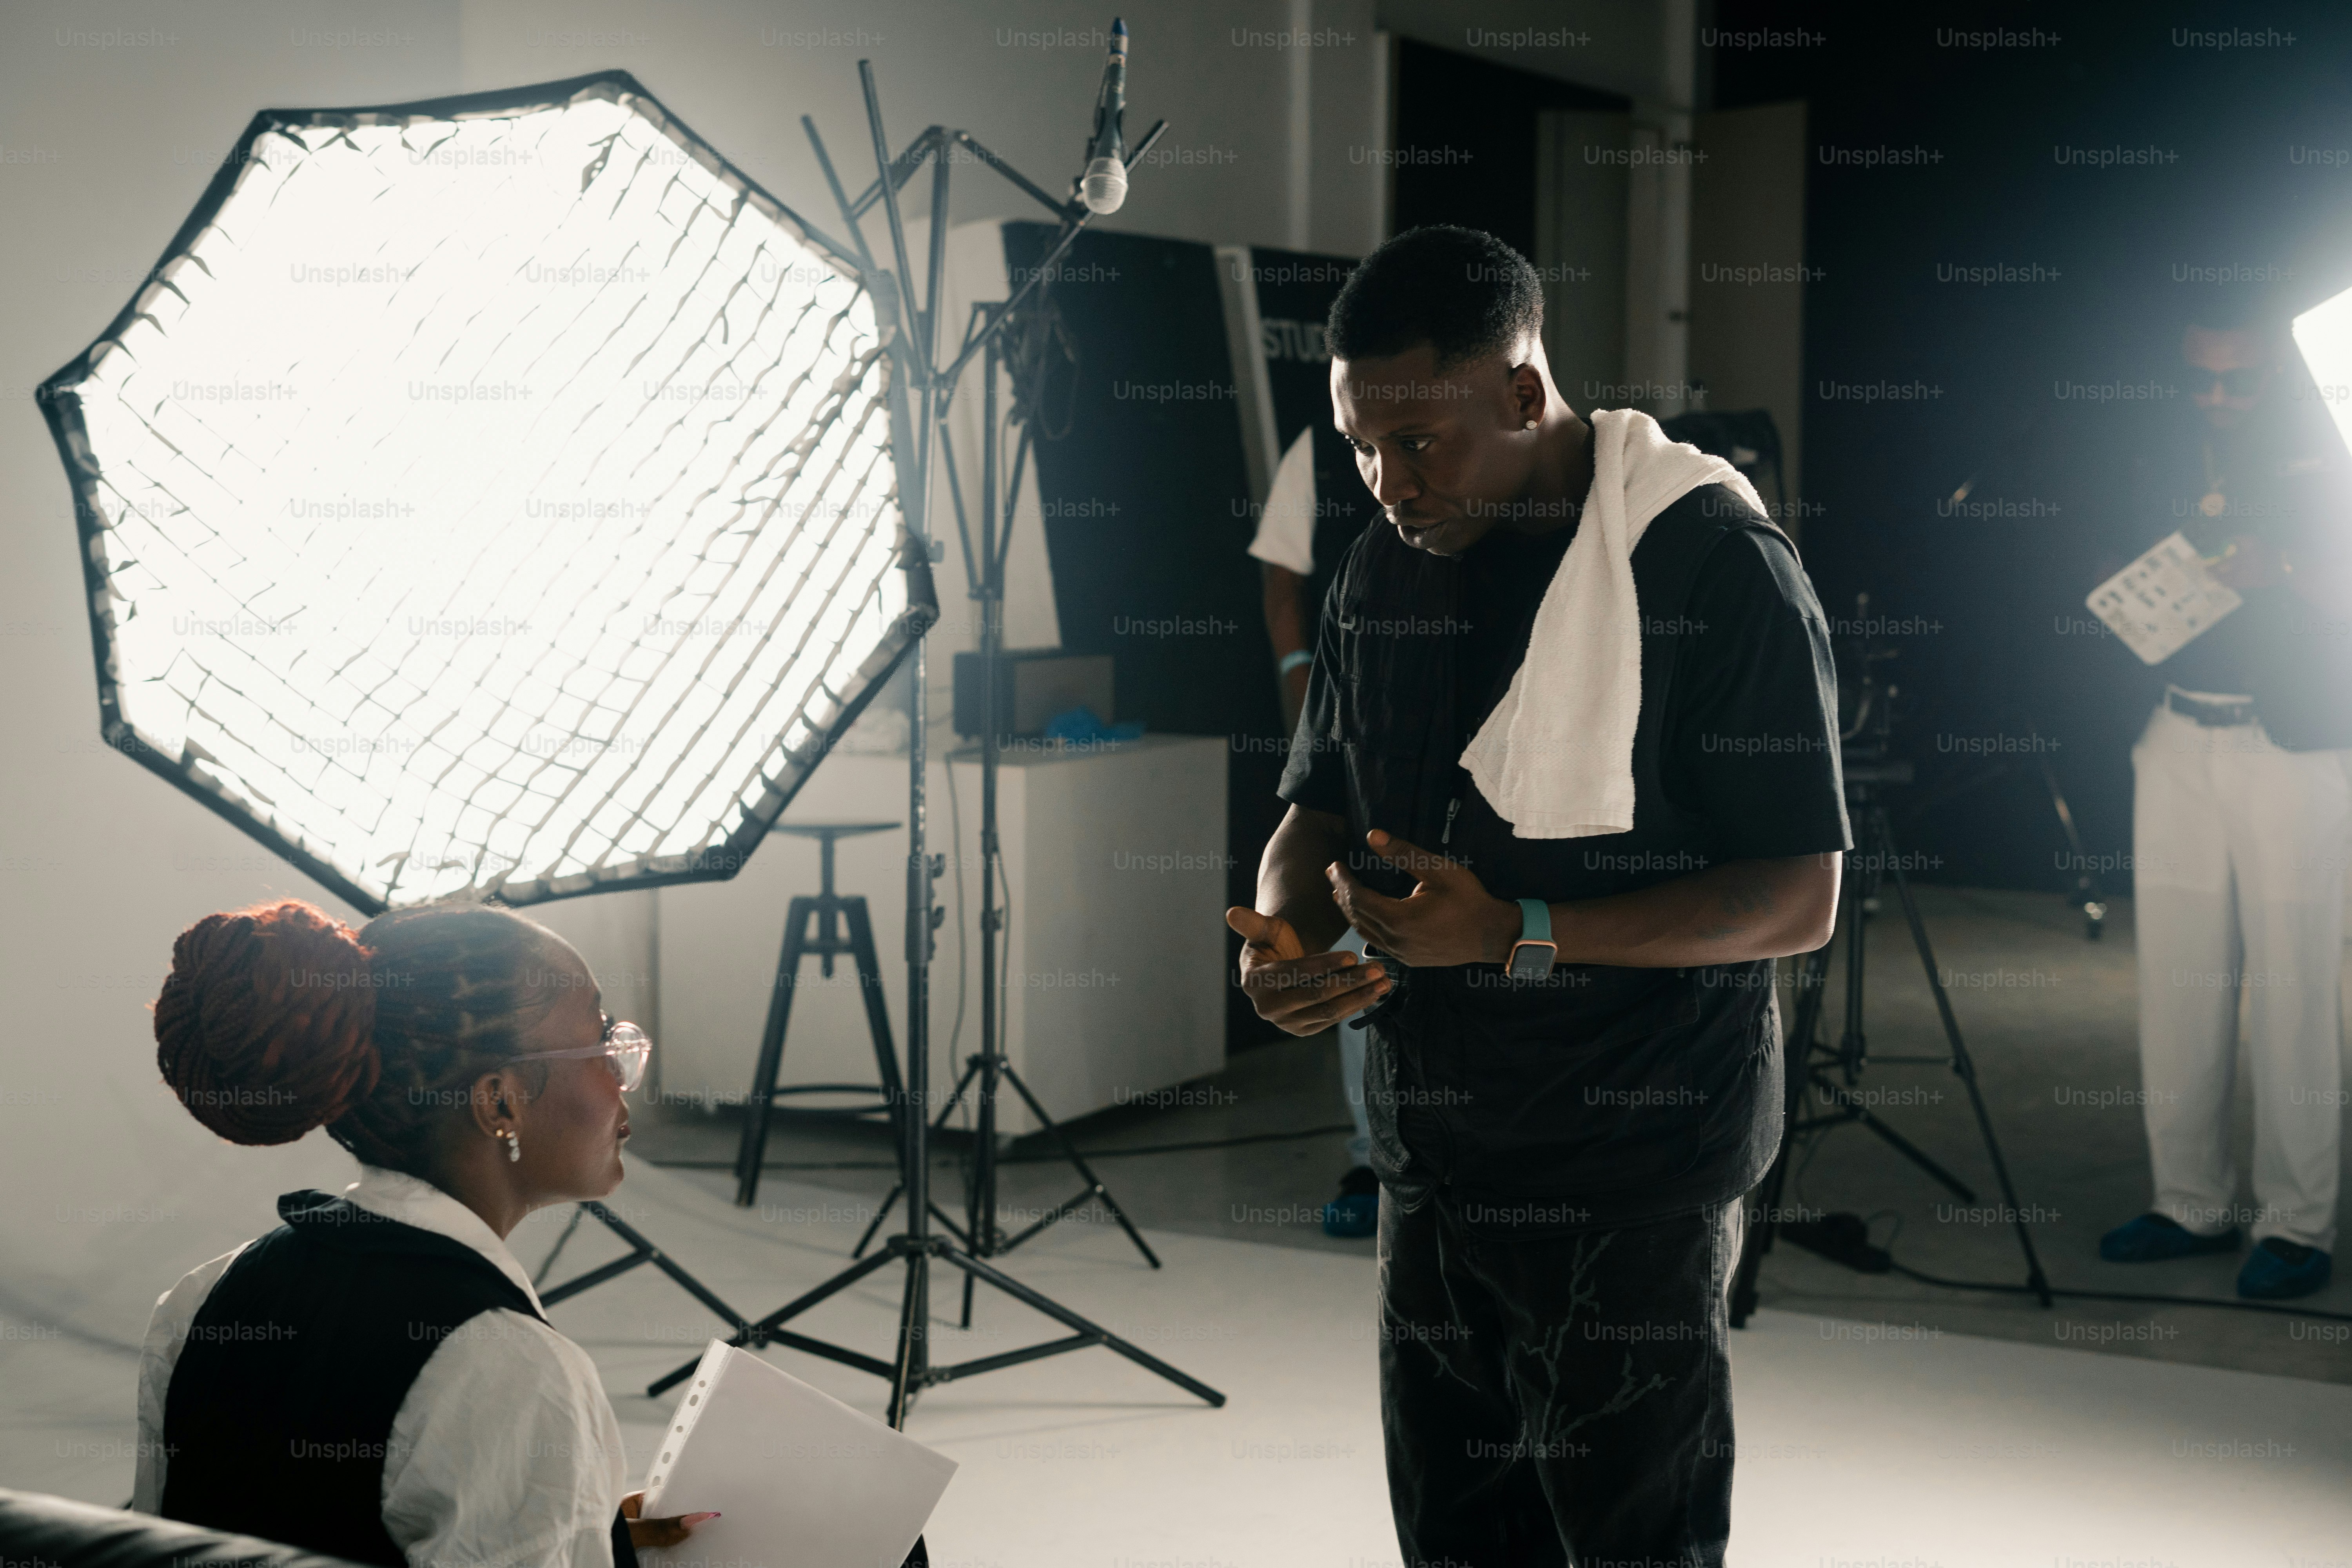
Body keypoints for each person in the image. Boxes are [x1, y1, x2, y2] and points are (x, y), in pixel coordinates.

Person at [1227, 225, 1847, 1566]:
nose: (1386, 482)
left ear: (1521, 393)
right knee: (1457, 1540)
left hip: (1629, 1165)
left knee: (1633, 1542)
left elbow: (1797, 896)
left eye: (1418, 443)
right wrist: (1284, 935)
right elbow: (1318, 804)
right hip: (1432, 1155)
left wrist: (1519, 935)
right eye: (1360, 449)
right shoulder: (1381, 567)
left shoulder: (1712, 566)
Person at [131, 900, 913, 1567]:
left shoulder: (201, 1300)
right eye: (599, 1035)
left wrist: (603, 1537)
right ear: (500, 1101)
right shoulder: (513, 1368)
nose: (622, 1067)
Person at [2096, 305, 2352, 1300]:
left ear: (2275, 377)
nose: (2213, 397)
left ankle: (2299, 1224)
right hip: (2174, 730)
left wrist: (2278, 566)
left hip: (2293, 745)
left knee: (2294, 991)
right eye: (2198, 377)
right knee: (2179, 981)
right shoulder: (2166, 444)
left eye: (2235, 381)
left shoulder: (2331, 446)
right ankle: (2190, 1199)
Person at [1251, 420, 1383, 1238]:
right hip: (1355, 730)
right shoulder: (1321, 451)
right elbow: (1280, 582)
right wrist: (1304, 685)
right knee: (1355, 943)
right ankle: (1373, 1158)